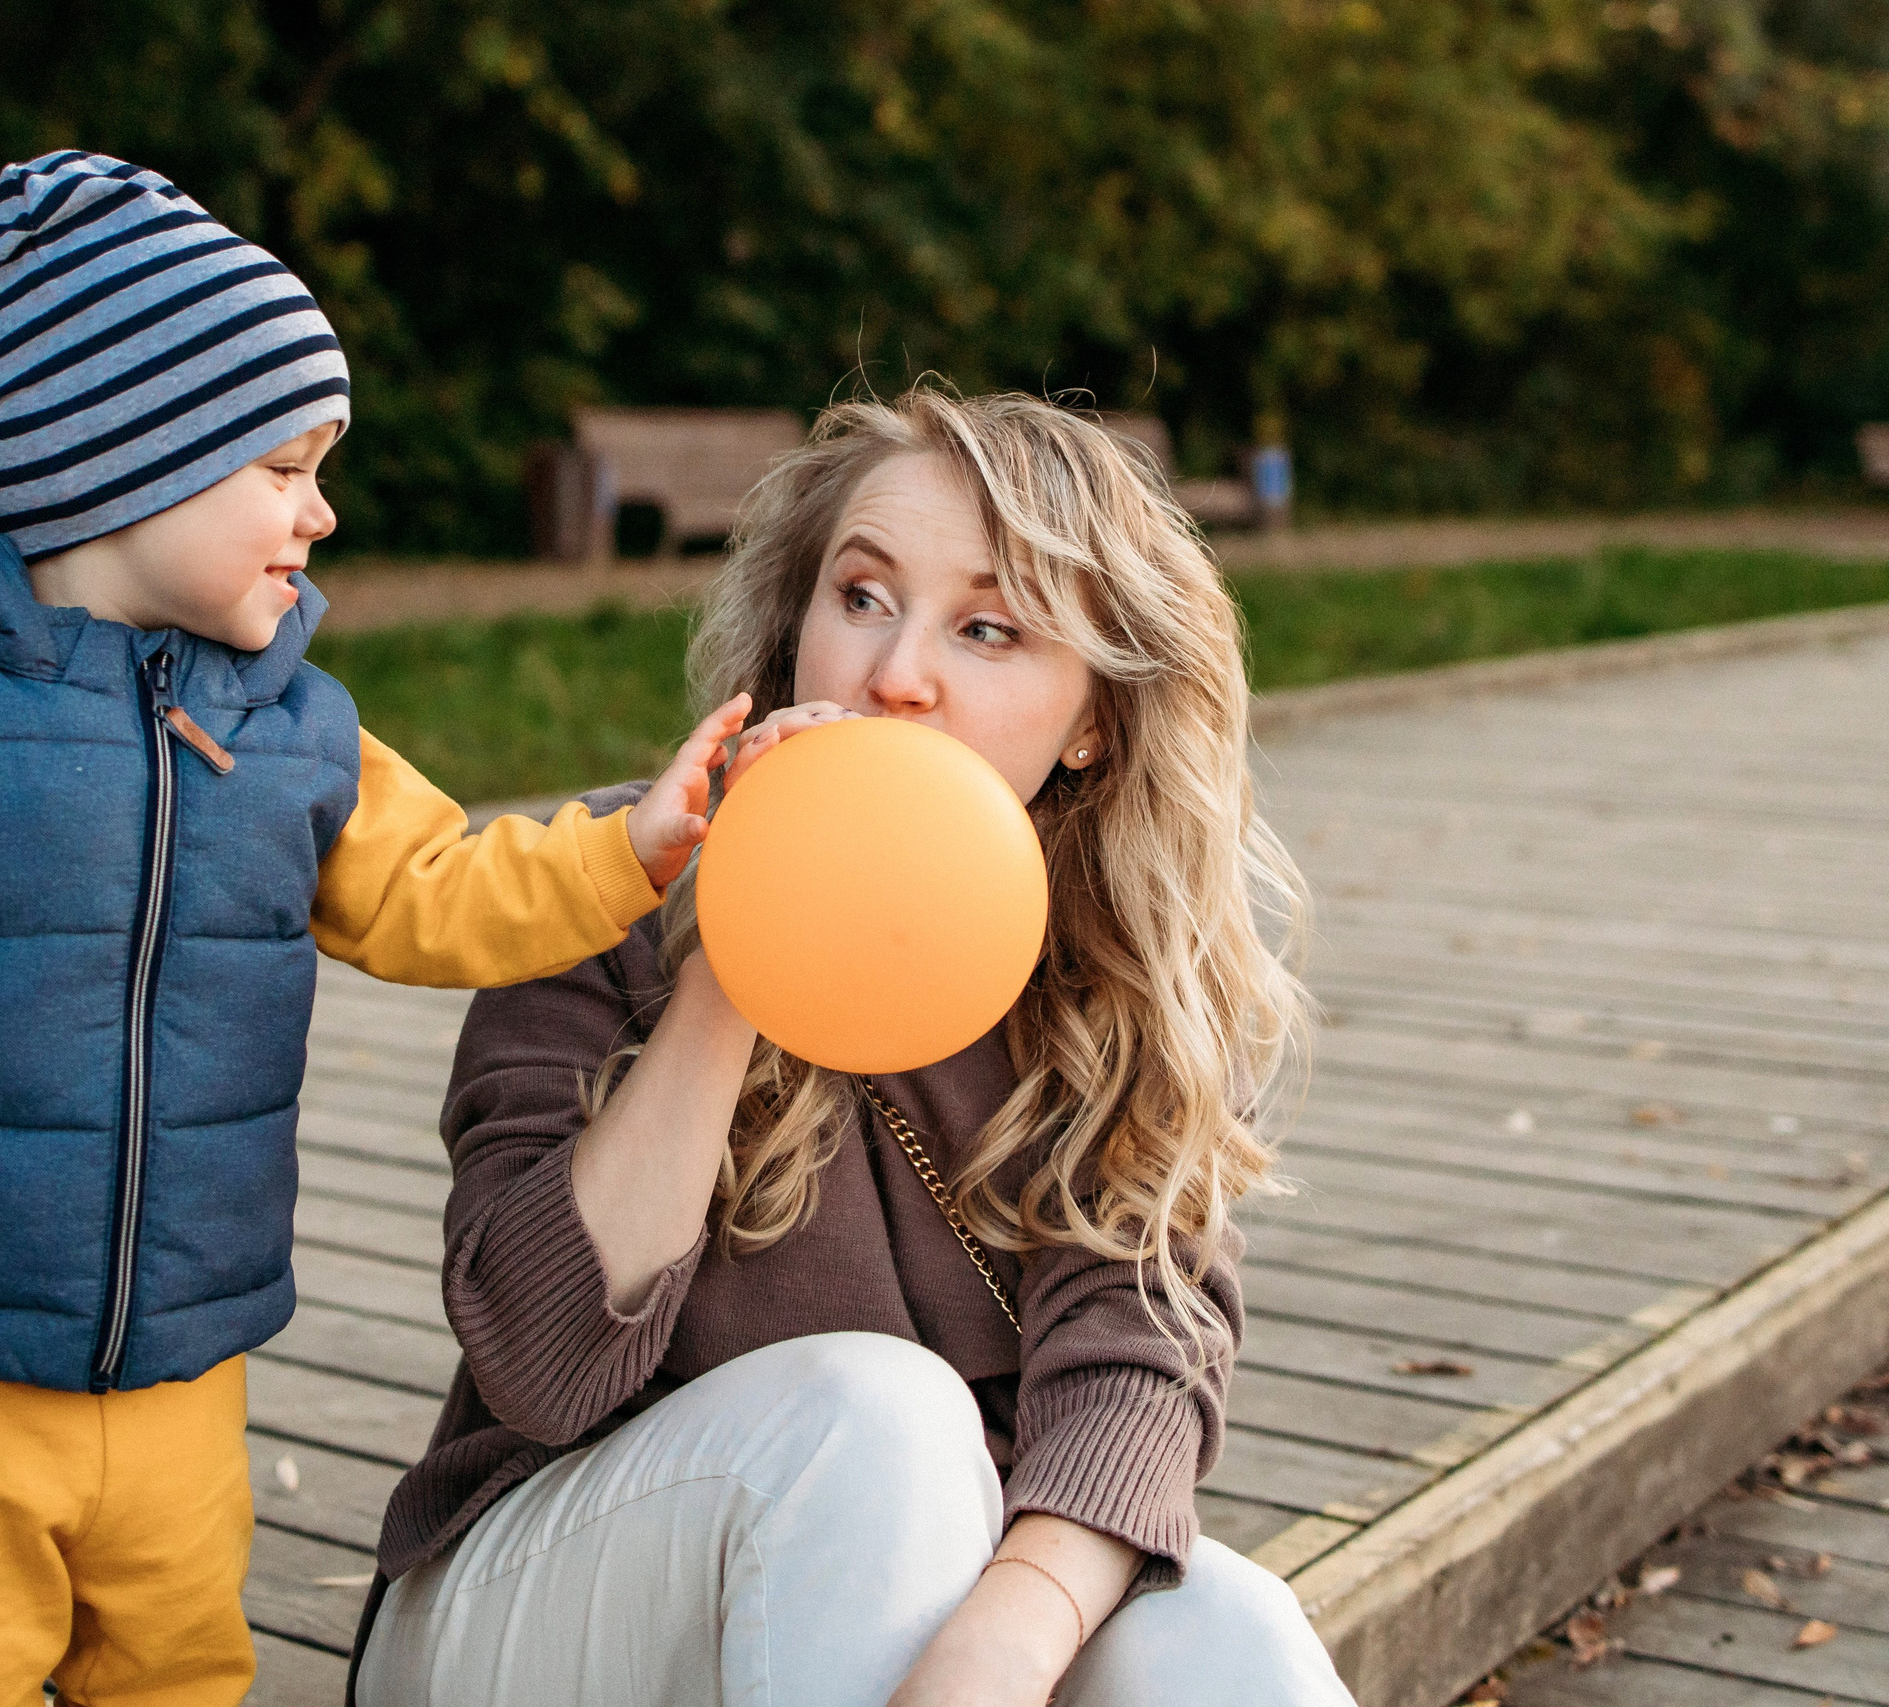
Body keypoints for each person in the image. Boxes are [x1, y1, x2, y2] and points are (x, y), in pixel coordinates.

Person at [0, 150, 751, 1707]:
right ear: (123, 465)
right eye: (285, 468)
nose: (324, 511)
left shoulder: (295, 728)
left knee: (176, 1671)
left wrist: (631, 849)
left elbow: (437, 888)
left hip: (176, 1374)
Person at [353, 389, 1359, 1706]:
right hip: (527, 1609)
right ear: (795, 629)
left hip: (892, 1612)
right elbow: (539, 1369)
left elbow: (1136, 1371)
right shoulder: (602, 880)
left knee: (1232, 1628)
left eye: (988, 629)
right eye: (864, 596)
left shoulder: (1111, 972)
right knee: (884, 1414)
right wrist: (737, 949)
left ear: (1093, 720)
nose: (898, 675)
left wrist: (1005, 1639)